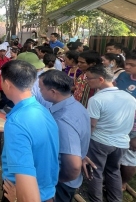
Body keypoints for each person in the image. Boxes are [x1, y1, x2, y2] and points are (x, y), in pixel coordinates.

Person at [0, 60, 59, 202]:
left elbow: (30, 197)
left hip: (22, 194)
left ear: (7, 84)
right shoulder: (43, 111)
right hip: (47, 192)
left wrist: (17, 198)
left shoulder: (16, 123)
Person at [85, 65, 136, 202]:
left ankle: (96, 199)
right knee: (114, 171)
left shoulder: (96, 100)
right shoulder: (129, 97)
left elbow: (92, 124)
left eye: (89, 78)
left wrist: (84, 143)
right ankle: (116, 199)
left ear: (100, 79)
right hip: (121, 143)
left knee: (95, 172)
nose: (86, 81)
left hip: (100, 142)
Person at [39, 70, 90, 202]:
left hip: (61, 184)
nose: (39, 91)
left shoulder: (62, 120)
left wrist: (57, 179)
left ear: (53, 92)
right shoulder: (78, 107)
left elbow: (73, 166)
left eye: (41, 88)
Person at [116, 53, 136, 190]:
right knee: (116, 154)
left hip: (133, 129)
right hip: (117, 123)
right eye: (126, 63)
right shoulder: (123, 76)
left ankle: (123, 183)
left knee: (130, 158)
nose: (127, 66)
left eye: (132, 65)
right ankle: (114, 179)